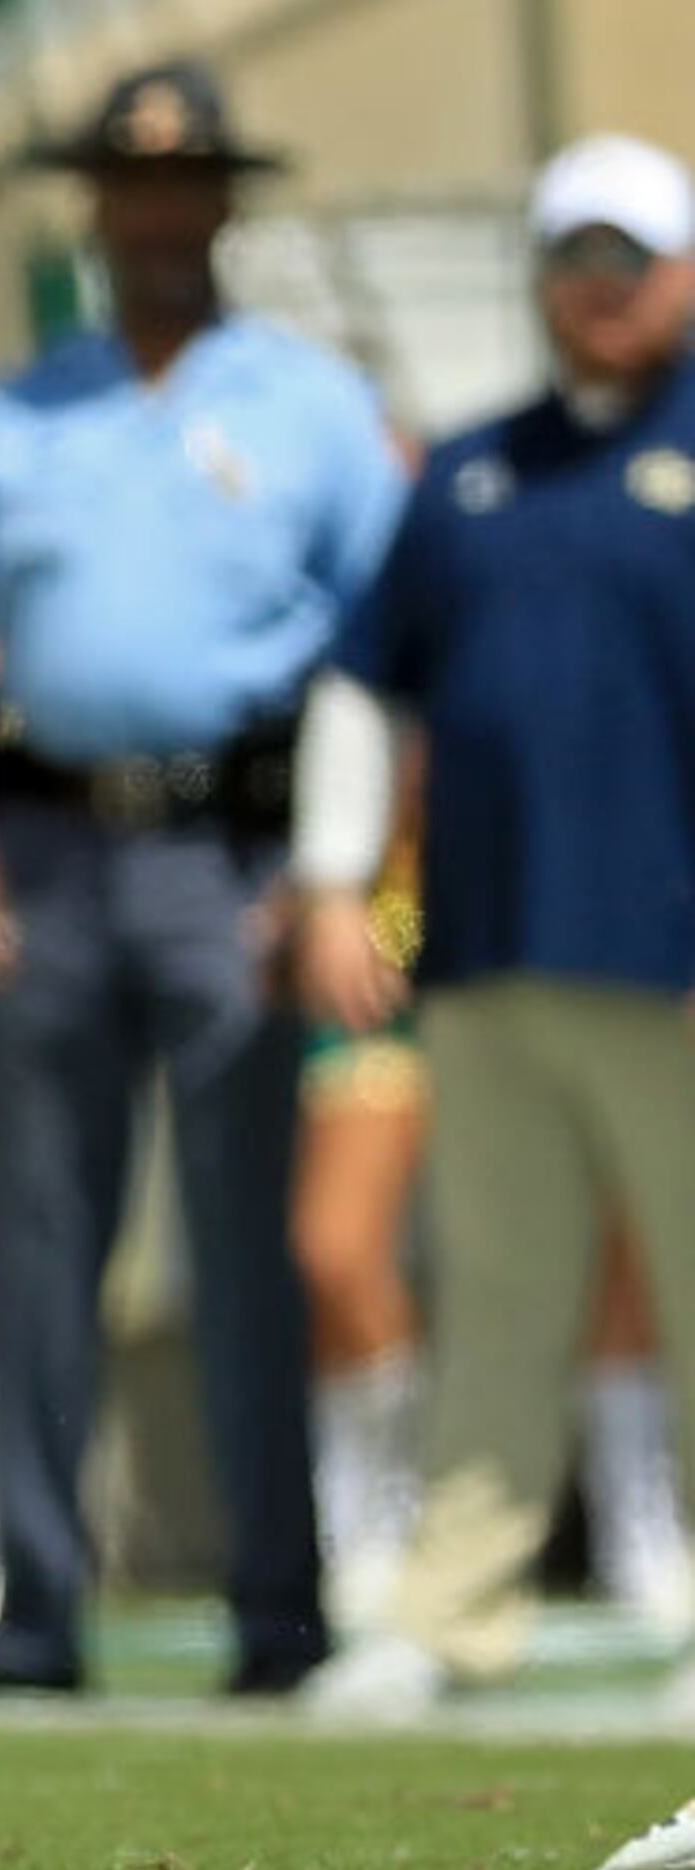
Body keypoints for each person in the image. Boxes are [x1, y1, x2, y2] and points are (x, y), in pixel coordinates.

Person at [0, 58, 398, 1698]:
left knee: (250, 1243)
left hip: (233, 856)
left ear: (227, 203)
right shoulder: (15, 411)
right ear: (93, 210)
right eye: (128, 186)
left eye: (184, 185)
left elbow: (388, 647)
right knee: (36, 1246)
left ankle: (276, 1607)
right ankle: (34, 1605)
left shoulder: (314, 408)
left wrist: (335, 872)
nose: (157, 212)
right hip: (43, 852)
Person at [297, 134, 695, 1722]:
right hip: (489, 957)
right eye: (574, 260)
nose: (599, 292)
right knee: (501, 1290)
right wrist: (333, 881)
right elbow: (361, 679)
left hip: (668, 965)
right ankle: (455, 1610)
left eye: (630, 260)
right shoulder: (467, 477)